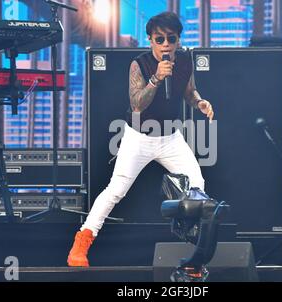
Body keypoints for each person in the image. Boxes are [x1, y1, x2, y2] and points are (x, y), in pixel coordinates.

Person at [67, 11, 214, 267]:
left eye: (171, 39)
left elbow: (189, 91)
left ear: (178, 40)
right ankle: (81, 243)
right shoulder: (140, 64)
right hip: (139, 136)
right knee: (116, 190)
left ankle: (192, 239)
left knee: (197, 185)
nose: (166, 45)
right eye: (160, 39)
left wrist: (199, 102)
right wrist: (157, 77)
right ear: (150, 40)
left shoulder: (185, 61)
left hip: (170, 136)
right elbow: (136, 104)